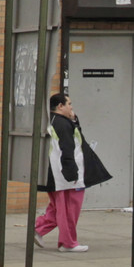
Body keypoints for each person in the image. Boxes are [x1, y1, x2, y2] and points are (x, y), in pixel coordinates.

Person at [36, 91, 108, 253]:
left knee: (58, 208)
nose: (72, 107)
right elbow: (67, 149)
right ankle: (68, 243)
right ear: (60, 106)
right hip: (66, 176)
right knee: (69, 210)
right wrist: (72, 173)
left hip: (56, 175)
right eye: (69, 104)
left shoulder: (55, 121)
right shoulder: (63, 124)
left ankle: (38, 229)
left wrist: (74, 119)